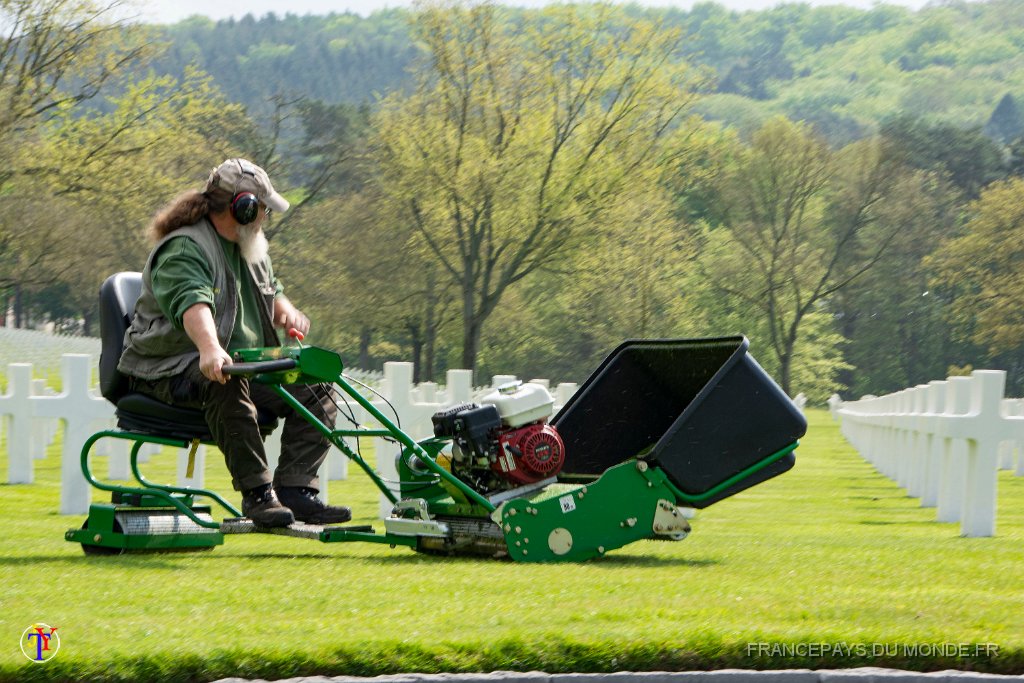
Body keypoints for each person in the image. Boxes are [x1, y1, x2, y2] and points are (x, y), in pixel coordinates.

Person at [118, 158, 349, 528]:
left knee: (317, 387)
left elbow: (271, 292)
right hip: (167, 368)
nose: (265, 219)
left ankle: (296, 490)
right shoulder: (185, 248)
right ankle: (258, 495)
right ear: (243, 208)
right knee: (224, 378)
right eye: (262, 210)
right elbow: (193, 303)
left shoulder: (249, 247)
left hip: (239, 366)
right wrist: (210, 348)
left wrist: (285, 310)